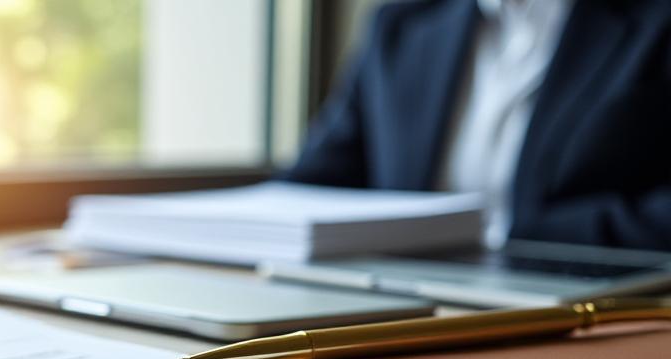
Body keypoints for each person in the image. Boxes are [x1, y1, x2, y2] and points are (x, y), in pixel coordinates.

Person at [283, 0, 671, 250]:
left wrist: (509, 236)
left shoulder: (657, 22)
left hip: (592, 311)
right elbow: (314, 181)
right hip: (395, 309)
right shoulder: (399, 26)